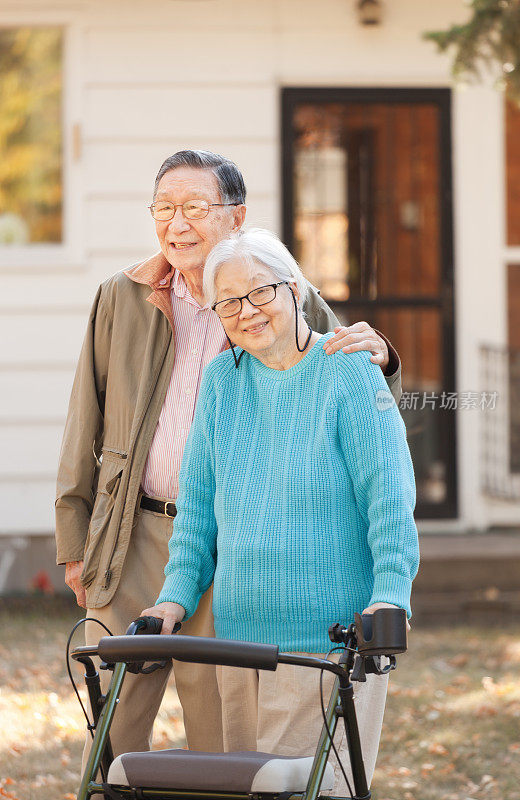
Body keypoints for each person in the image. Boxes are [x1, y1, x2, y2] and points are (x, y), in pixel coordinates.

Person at [55, 150, 403, 760]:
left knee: (218, 726)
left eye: (195, 206)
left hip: (231, 543)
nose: (176, 222)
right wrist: (73, 537)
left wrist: (385, 359)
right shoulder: (123, 297)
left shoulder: (277, 282)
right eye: (164, 207)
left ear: (235, 217)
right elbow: (84, 417)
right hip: (133, 528)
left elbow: (358, 394)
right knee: (111, 722)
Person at [141, 229, 418, 790]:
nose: (246, 312)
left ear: (294, 289)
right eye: (228, 303)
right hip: (242, 642)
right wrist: (174, 598)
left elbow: (388, 494)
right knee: (253, 786)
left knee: (311, 787)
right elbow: (197, 509)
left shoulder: (347, 371)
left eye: (260, 293)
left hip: (329, 644)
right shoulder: (222, 381)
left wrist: (392, 594)